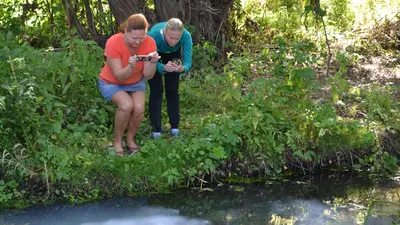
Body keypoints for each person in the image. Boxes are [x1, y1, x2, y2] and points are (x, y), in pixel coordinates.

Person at [98, 13, 161, 156]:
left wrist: (153, 62)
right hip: (111, 82)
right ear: (125, 31)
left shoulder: (150, 42)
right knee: (126, 106)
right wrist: (131, 66)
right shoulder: (113, 42)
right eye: (134, 38)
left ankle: (130, 139)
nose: (138, 42)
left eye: (141, 37)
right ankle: (117, 141)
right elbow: (119, 76)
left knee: (139, 109)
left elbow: (148, 75)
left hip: (136, 82)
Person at [147, 18, 193, 139]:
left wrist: (181, 69)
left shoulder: (186, 36)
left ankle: (174, 127)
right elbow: (149, 61)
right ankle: (156, 129)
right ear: (165, 32)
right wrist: (162, 67)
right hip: (155, 55)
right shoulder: (153, 36)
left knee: (172, 90)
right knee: (156, 90)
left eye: (177, 38)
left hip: (173, 55)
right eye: (171, 38)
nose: (173, 41)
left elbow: (188, 62)